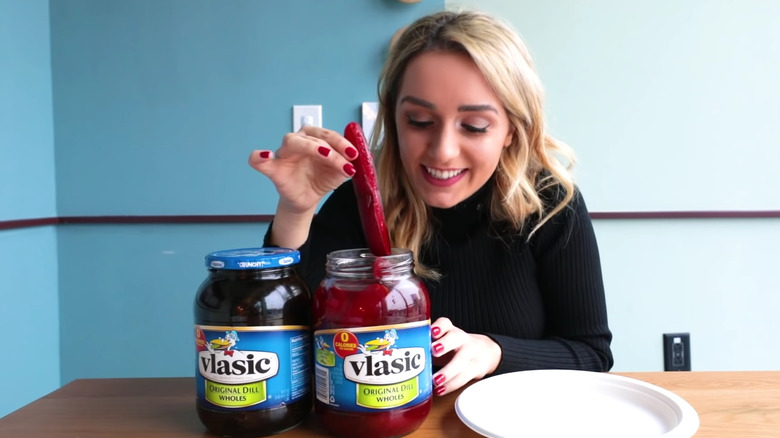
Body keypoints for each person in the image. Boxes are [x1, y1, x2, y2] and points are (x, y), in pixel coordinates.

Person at [248, 9, 613, 396]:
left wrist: (494, 352)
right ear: (394, 116)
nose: (443, 151)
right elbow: (286, 332)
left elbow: (591, 354)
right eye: (419, 121)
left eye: (474, 126)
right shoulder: (360, 200)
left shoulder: (552, 205)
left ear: (511, 129)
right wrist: (296, 210)